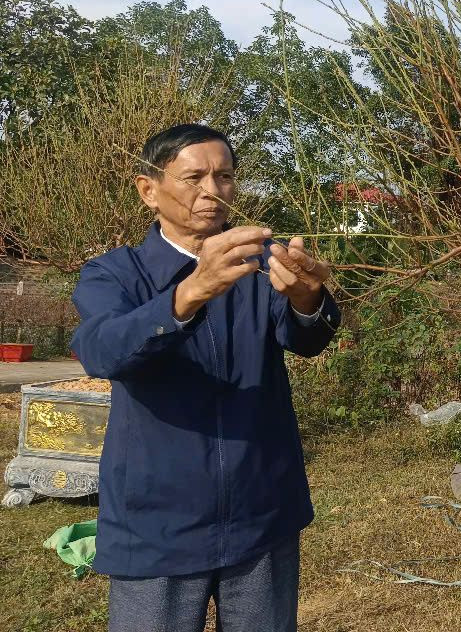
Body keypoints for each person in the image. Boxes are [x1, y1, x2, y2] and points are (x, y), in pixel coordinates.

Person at [71, 123, 340, 632]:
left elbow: (306, 339)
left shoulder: (260, 265)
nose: (212, 192)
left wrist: (308, 297)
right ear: (148, 189)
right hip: (157, 522)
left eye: (225, 177)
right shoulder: (114, 274)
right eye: (193, 177)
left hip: (263, 511)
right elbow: (102, 351)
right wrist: (190, 292)